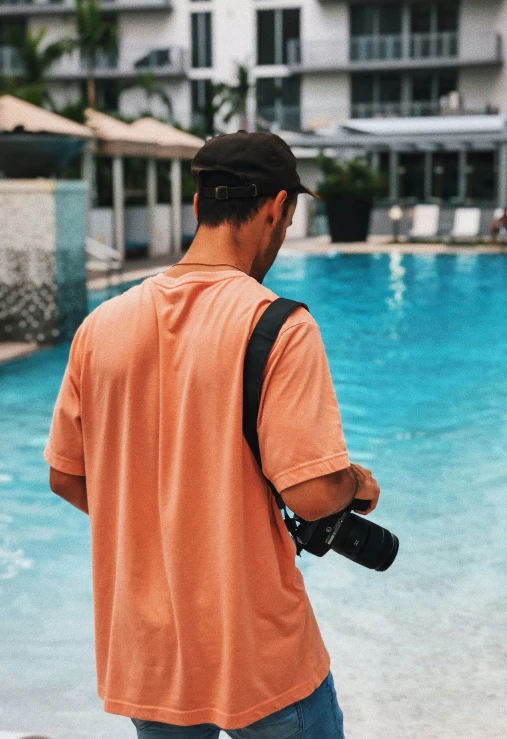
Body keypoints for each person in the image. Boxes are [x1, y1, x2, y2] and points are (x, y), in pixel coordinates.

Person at [43, 130, 381, 739]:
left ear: (198, 207)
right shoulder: (279, 325)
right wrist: (356, 482)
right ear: (278, 208)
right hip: (258, 654)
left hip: (150, 656)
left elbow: (66, 475)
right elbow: (312, 494)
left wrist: (154, 525)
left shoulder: (100, 328)